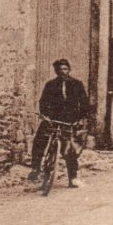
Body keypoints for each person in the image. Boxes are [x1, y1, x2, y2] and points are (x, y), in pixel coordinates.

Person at [30, 58, 90, 189]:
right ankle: (35, 169)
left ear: (69, 70)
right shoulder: (50, 85)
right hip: (53, 119)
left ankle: (73, 178)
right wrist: (45, 115)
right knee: (39, 140)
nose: (63, 72)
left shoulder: (77, 84)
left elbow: (84, 103)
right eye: (60, 69)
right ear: (56, 71)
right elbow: (43, 101)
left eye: (65, 69)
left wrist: (81, 118)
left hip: (69, 120)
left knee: (70, 149)